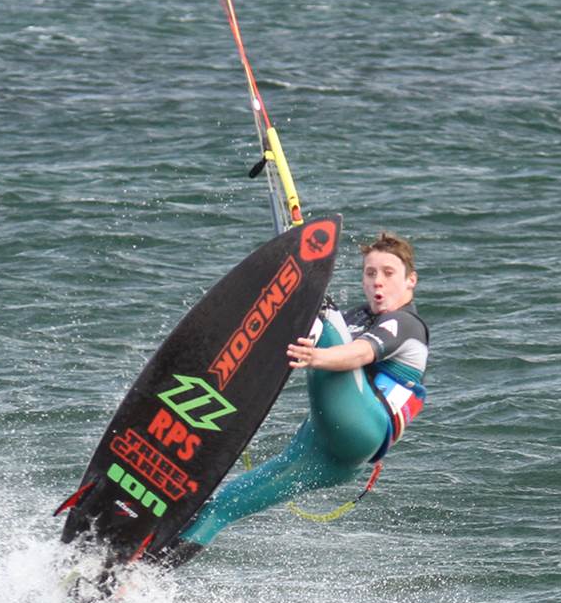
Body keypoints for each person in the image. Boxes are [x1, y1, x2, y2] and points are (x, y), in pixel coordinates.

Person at [164, 230, 429, 565]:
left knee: (320, 312)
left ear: (410, 280)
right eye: (370, 272)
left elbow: (360, 353)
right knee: (222, 507)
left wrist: (316, 353)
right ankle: (141, 573)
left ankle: (301, 278)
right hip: (324, 454)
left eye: (389, 273)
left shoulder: (406, 324)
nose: (378, 281)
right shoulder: (357, 318)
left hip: (361, 430)